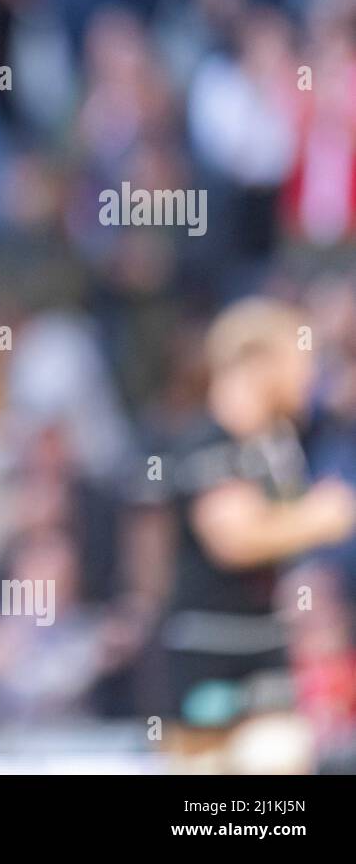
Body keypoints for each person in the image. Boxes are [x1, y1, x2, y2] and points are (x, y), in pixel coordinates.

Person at [157, 297, 356, 772]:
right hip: (210, 659)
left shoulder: (275, 443)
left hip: (266, 650)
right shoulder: (210, 444)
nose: (309, 376)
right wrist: (319, 516)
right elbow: (235, 540)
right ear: (259, 362)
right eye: (300, 359)